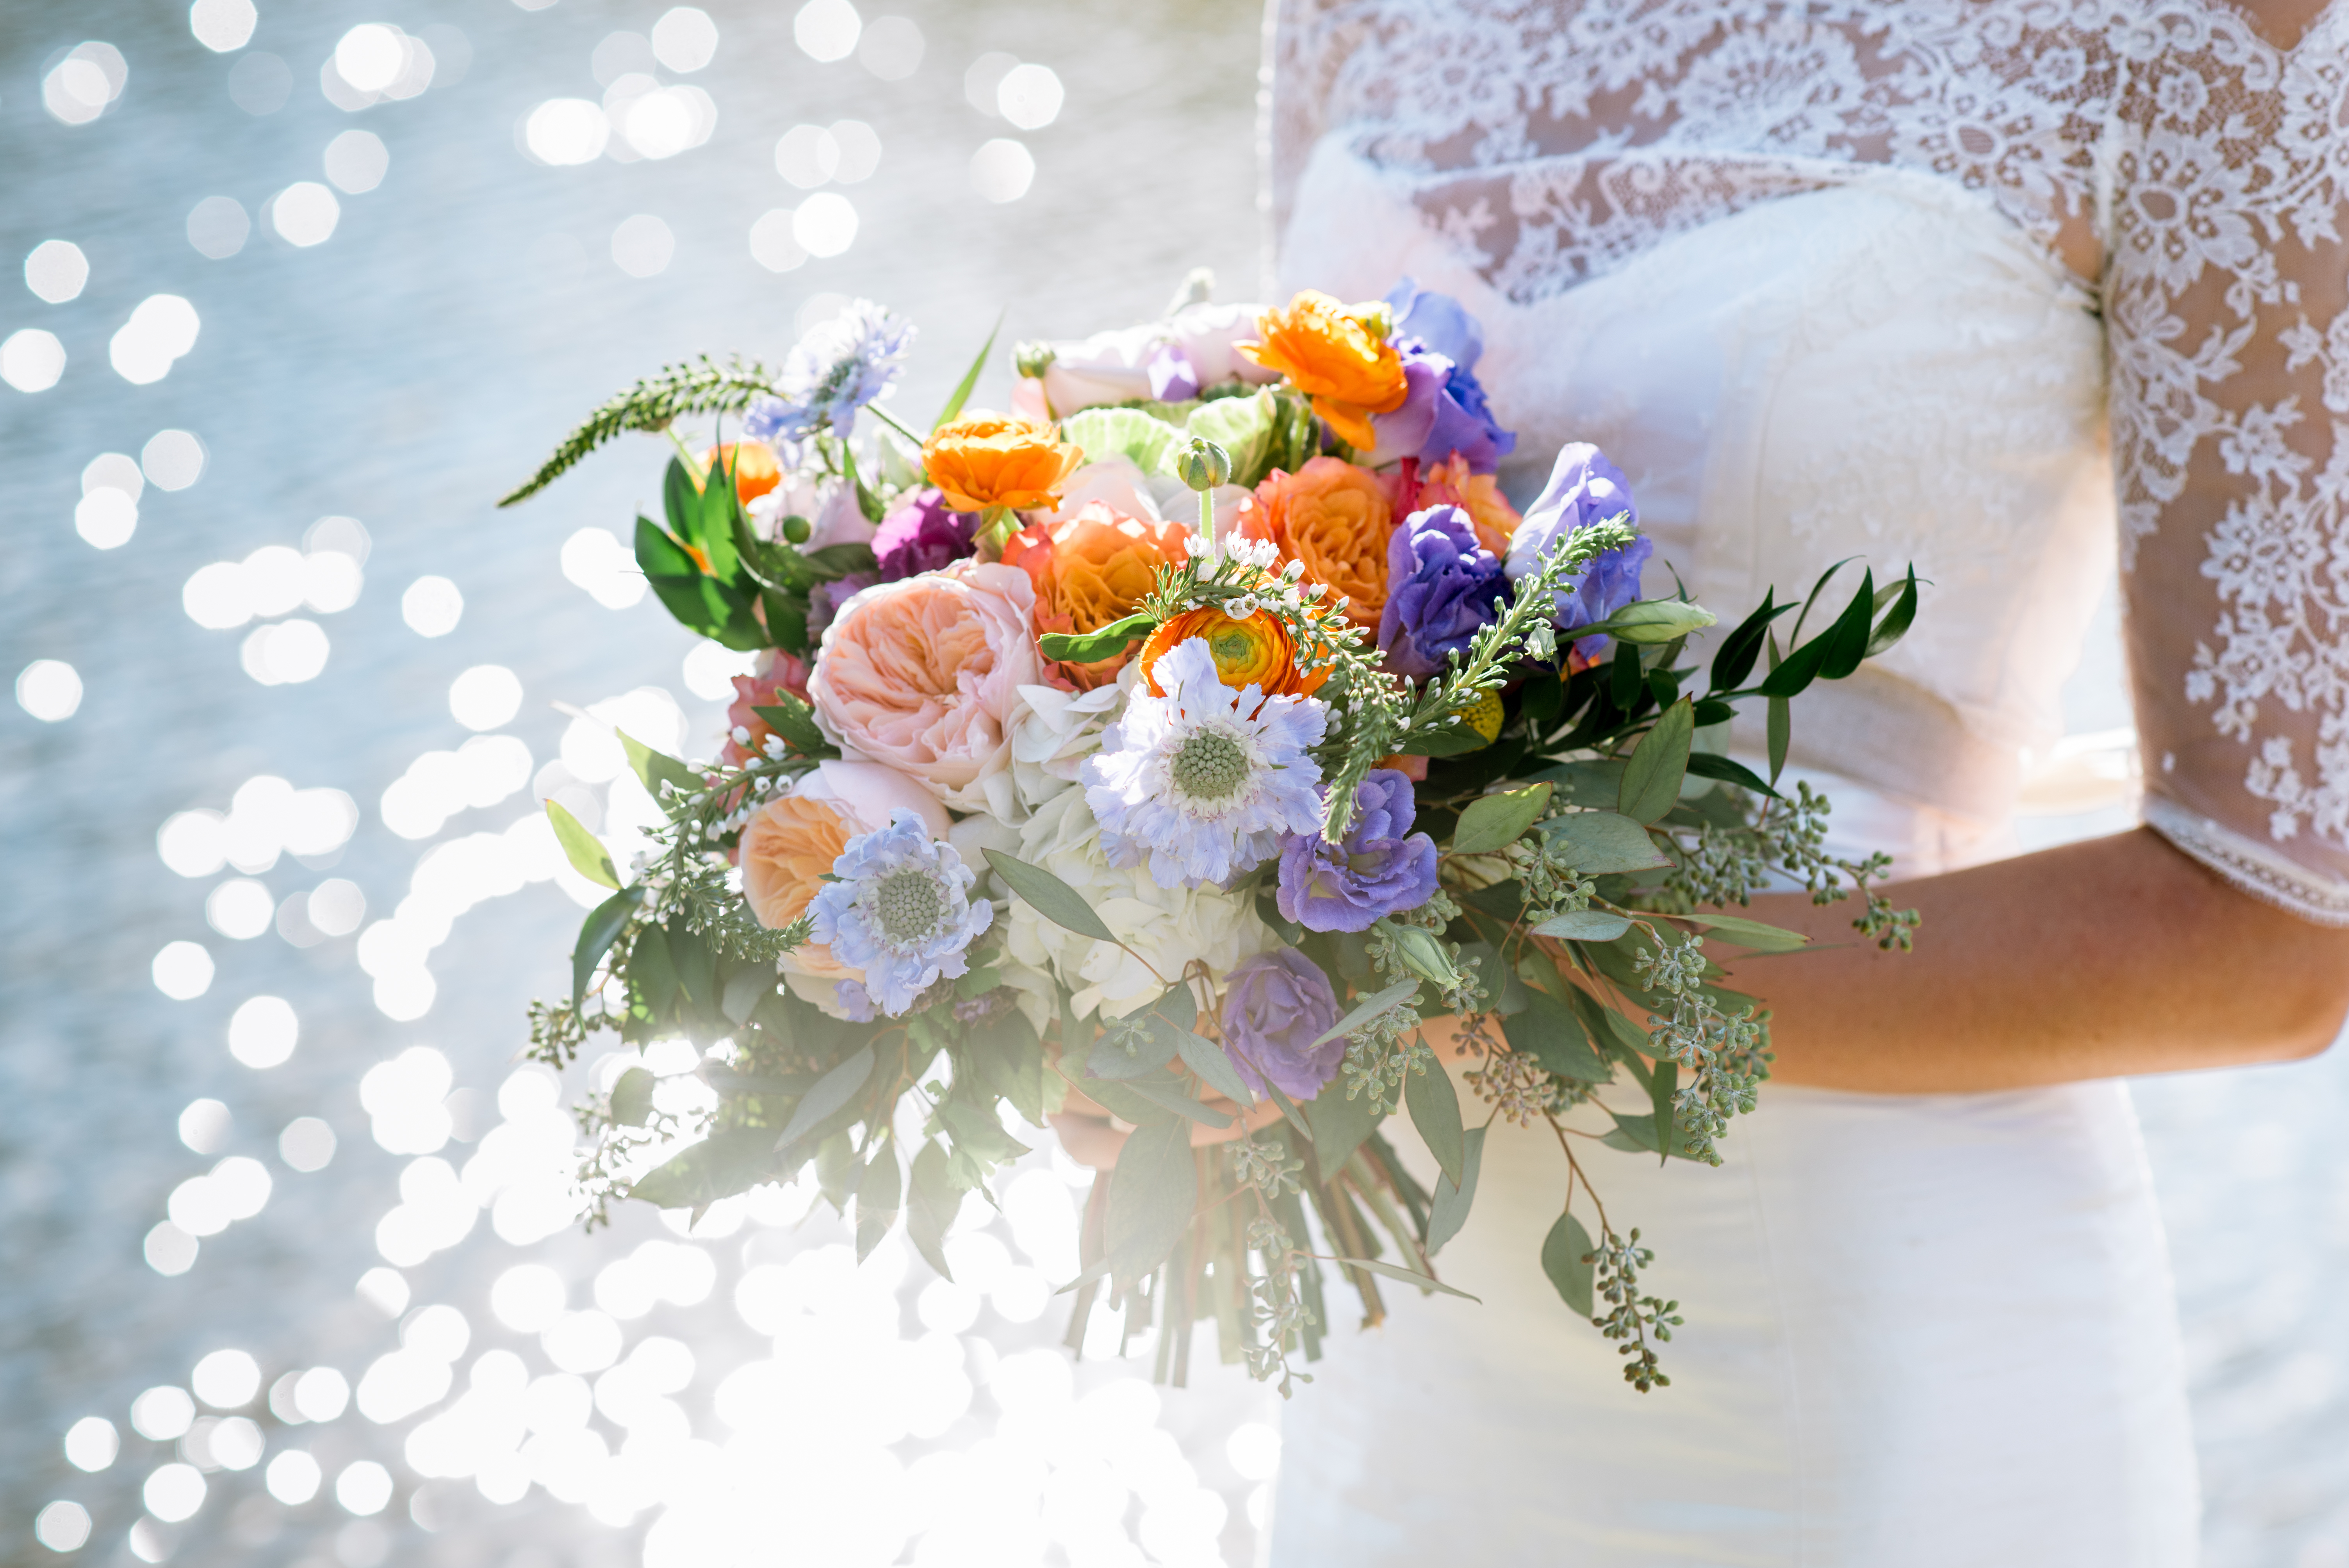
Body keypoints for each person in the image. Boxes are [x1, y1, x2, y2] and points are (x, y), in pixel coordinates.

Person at [1053, 1, 2349, 1561]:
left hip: (1873, 1355)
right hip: (1411, 1334)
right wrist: (1137, 963)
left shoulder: (2207, 33)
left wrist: (1482, 979)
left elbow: (2270, 931)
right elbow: (1322, 588)